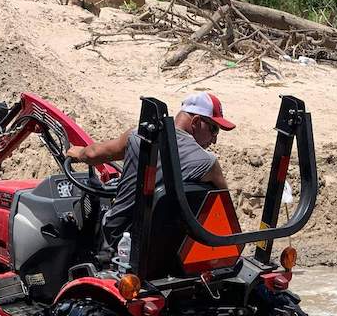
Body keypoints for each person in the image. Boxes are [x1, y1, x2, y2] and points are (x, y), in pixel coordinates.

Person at [65, 92, 235, 260]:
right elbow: (226, 212)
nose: (214, 140)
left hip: (120, 240)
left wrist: (79, 153)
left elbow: (94, 154)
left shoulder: (139, 136)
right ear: (196, 121)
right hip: (170, 249)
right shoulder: (210, 166)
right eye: (214, 130)